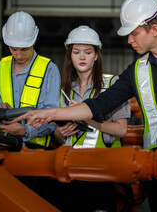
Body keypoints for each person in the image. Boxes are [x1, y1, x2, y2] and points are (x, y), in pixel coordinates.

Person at [14, 0, 157, 212]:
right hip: (156, 166)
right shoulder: (137, 71)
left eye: (134, 34)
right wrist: (50, 114)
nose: (129, 40)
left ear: (154, 30)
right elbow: (99, 105)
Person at [49, 25, 130, 211]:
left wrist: (85, 116)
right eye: (76, 52)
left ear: (96, 55)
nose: (82, 57)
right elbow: (60, 137)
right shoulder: (63, 91)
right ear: (70, 55)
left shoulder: (112, 84)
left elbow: (121, 130)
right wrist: (59, 133)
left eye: (87, 52)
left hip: (100, 171)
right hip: (69, 171)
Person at [0, 11, 61, 149]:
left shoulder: (49, 70)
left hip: (37, 152)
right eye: (13, 49)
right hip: (1, 147)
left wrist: (25, 131)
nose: (19, 55)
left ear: (34, 40)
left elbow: (53, 117)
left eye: (24, 49)